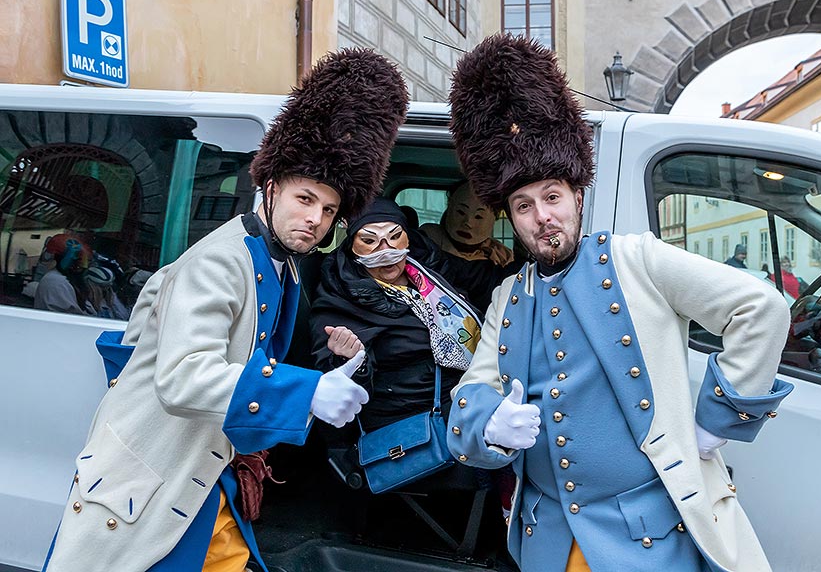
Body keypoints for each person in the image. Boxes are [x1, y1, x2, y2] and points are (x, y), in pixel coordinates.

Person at [43, 48, 408, 572]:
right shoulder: (218, 260)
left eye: (328, 210)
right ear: (271, 186)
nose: (316, 219)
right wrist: (308, 391)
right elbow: (184, 378)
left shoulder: (279, 261)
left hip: (203, 477)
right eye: (305, 199)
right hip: (153, 483)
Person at [444, 34, 794, 572]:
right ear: (510, 218)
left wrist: (716, 420)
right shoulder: (507, 298)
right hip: (549, 541)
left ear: (578, 196)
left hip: (648, 541)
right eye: (523, 205)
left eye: (552, 197)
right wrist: (489, 424)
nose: (543, 217)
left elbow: (761, 309)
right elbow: (471, 395)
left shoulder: (639, 260)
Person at [310, 197, 510, 434]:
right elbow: (342, 391)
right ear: (352, 246)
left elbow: (484, 279)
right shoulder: (339, 297)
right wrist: (348, 360)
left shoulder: (427, 267)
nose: (386, 251)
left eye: (395, 236)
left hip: (469, 397)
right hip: (413, 423)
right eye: (369, 240)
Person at [420, 181, 515, 266]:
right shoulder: (428, 239)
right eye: (461, 212)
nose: (468, 223)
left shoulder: (502, 256)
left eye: (479, 216)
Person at [33, 233, 92, 315]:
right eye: (78, 259)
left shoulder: (65, 279)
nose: (83, 266)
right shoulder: (56, 281)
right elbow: (73, 316)